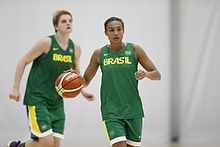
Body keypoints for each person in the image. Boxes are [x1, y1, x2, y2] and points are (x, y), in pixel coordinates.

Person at [8, 10, 94, 147]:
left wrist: (83, 92)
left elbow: (76, 74)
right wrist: (15, 88)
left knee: (54, 144)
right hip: (38, 98)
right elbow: (23, 61)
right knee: (46, 142)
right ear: (56, 26)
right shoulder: (47, 43)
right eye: (64, 21)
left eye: (70, 20)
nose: (68, 23)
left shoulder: (75, 48)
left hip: (56, 101)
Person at [82, 17, 161, 147]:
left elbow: (157, 75)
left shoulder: (135, 50)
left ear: (123, 31)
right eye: (111, 30)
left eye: (119, 29)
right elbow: (85, 81)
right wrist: (73, 79)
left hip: (133, 110)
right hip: (111, 110)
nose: (116, 33)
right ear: (105, 32)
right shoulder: (99, 53)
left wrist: (145, 74)